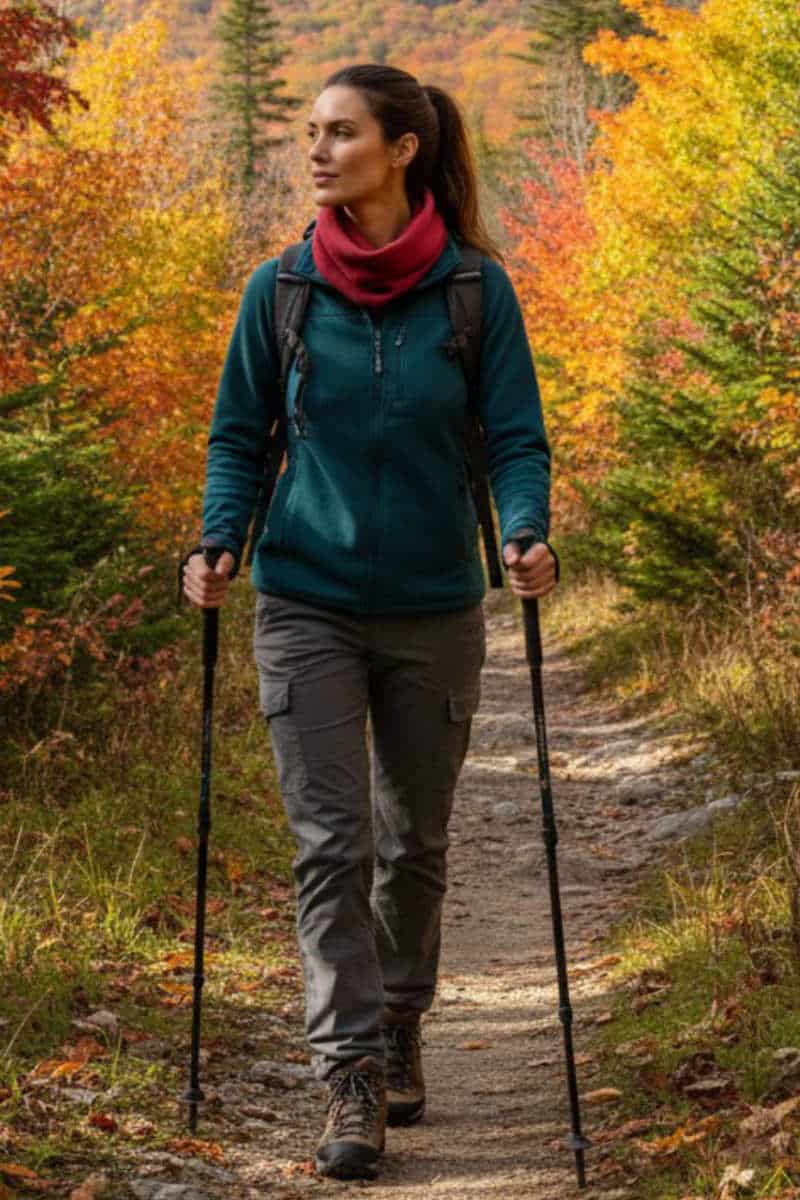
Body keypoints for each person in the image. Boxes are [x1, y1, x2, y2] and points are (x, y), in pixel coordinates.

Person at [181, 63, 558, 1181]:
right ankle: (347, 1069)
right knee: (327, 845)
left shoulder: (475, 293)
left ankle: (400, 1015)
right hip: (303, 601)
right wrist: (216, 541)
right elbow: (236, 439)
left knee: (414, 843)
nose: (316, 150)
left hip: (435, 605)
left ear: (401, 149)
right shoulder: (281, 290)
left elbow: (516, 441)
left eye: (339, 133)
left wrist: (525, 532)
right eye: (308, 132)